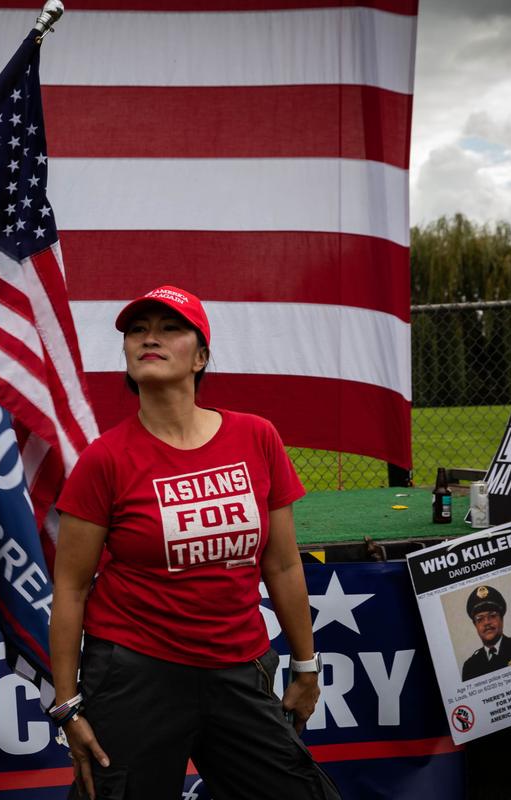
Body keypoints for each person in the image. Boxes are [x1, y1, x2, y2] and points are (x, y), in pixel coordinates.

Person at [48, 286, 339, 800]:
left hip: (238, 667)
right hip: (134, 673)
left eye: (169, 328)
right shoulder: (104, 459)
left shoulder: (257, 437)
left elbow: (284, 566)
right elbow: (70, 589)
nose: (149, 339)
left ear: (201, 356)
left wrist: (306, 666)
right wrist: (68, 706)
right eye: (137, 331)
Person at [460, 584, 511, 681]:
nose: (487, 622)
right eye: (480, 619)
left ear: (502, 619)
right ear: (475, 625)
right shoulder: (469, 667)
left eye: (492, 616)